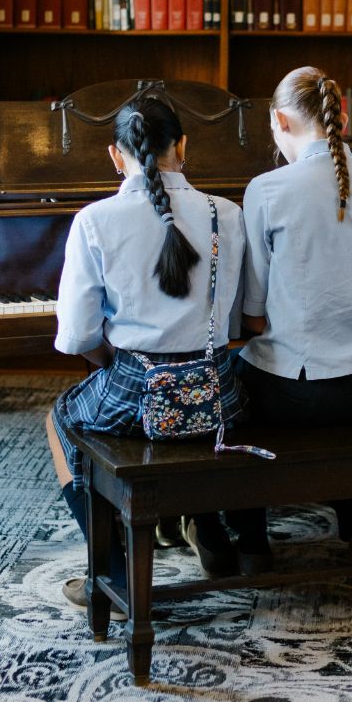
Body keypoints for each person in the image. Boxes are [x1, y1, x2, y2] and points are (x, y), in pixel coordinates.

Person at [46, 94, 248, 609]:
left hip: (139, 393)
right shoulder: (227, 213)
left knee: (60, 420)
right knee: (198, 414)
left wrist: (116, 365)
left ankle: (113, 570)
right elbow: (240, 315)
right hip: (218, 393)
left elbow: (77, 336)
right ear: (182, 146)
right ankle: (212, 533)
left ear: (116, 155)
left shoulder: (94, 221)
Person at [223, 66, 352, 603]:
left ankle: (252, 538)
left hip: (291, 394)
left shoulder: (265, 189)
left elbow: (254, 315)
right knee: (338, 405)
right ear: (343, 118)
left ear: (280, 121)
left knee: (232, 389)